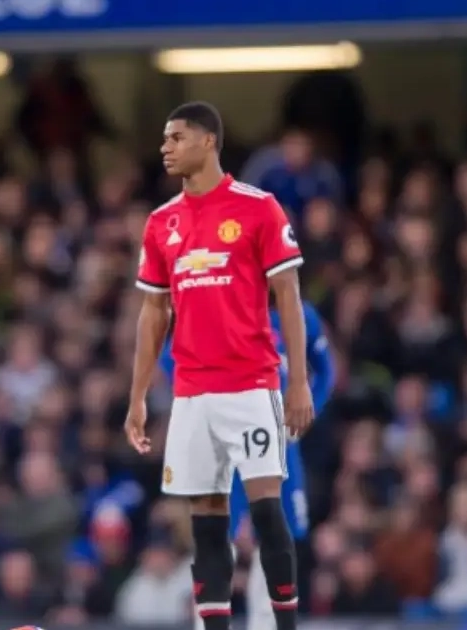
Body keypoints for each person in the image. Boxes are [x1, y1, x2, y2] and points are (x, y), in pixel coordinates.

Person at [126, 101, 314, 630]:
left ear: (208, 141)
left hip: (251, 386)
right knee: (207, 526)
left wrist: (298, 382)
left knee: (268, 513)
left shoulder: (258, 208)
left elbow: (288, 295)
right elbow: (154, 312)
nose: (165, 147)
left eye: (177, 137)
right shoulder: (161, 223)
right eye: (164, 138)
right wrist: (137, 396)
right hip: (191, 394)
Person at [161, 301, 335, 630]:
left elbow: (326, 369)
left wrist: (306, 410)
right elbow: (171, 360)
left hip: (278, 446)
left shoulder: (295, 311)